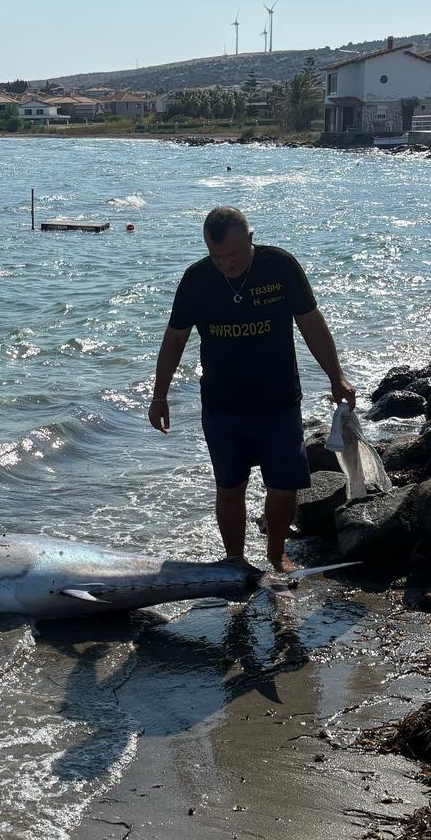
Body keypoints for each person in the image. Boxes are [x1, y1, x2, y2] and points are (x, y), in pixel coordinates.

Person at [148, 206, 355, 573]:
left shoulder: (280, 267)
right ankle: (235, 562)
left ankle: (276, 554)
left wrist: (335, 376)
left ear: (250, 239)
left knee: (283, 489)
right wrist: (159, 395)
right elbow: (175, 337)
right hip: (222, 407)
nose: (227, 265)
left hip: (279, 403)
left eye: (233, 255)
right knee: (229, 488)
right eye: (217, 258)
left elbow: (311, 323)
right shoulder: (197, 279)